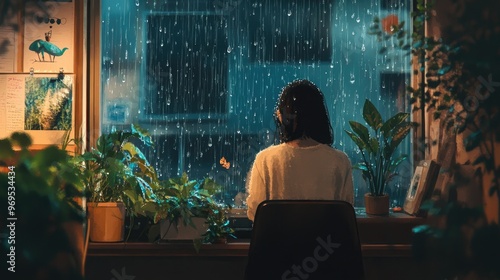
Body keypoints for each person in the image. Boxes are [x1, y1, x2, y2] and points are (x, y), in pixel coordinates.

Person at [245, 79, 354, 221]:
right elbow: (345, 213)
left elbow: (255, 213)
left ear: (282, 116)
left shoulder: (265, 160)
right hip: (325, 243)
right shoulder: (340, 161)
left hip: (278, 243)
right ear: (320, 116)